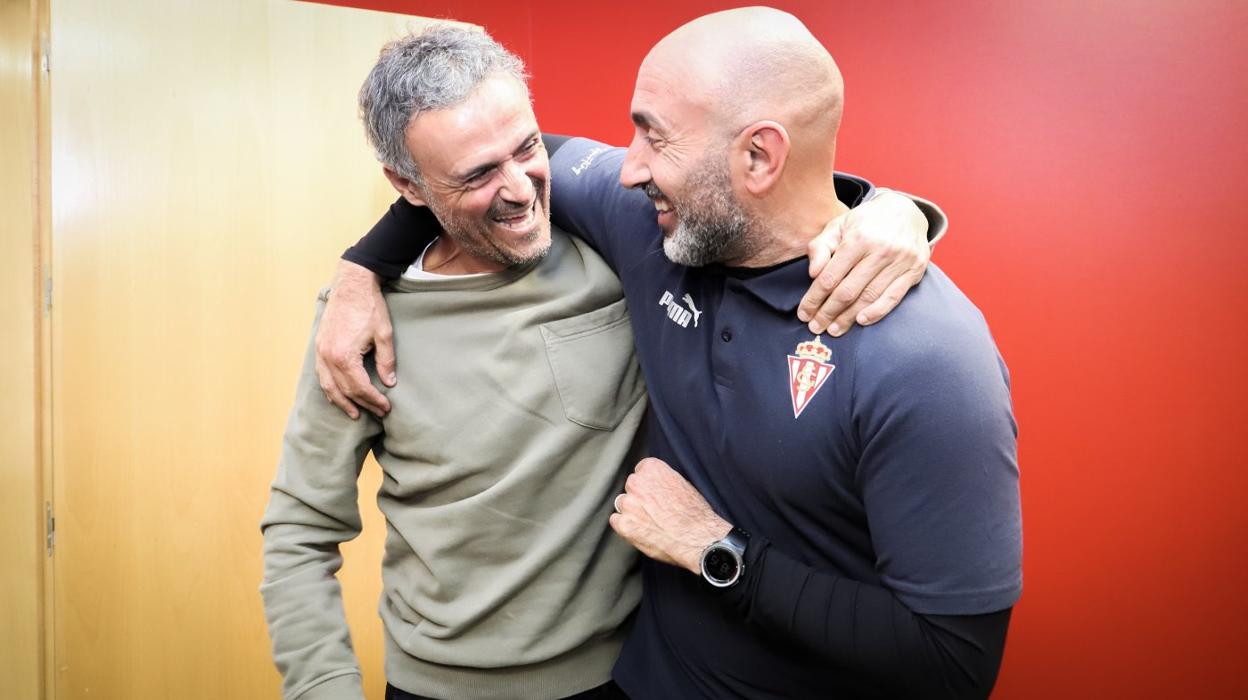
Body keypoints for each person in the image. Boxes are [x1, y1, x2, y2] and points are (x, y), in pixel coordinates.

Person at [322, 8, 1021, 699]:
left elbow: (953, 664)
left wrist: (715, 549)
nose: (628, 169)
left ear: (758, 157)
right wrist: (362, 266)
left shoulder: (928, 358)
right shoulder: (655, 227)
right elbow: (481, 167)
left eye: (655, 138)